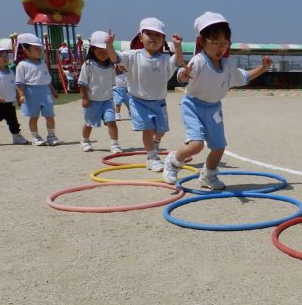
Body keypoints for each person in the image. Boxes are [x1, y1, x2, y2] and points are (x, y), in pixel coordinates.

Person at [162, 12, 272, 188]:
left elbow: (244, 77)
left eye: (224, 42)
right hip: (193, 106)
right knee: (196, 145)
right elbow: (183, 76)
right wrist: (184, 74)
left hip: (214, 109)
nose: (220, 47)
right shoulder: (199, 61)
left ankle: (208, 175)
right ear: (202, 41)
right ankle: (173, 161)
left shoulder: (227, 64)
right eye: (215, 42)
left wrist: (264, 68)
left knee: (219, 147)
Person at [106, 18, 184, 172]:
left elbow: (179, 61)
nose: (153, 37)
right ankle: (152, 157)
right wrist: (109, 45)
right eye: (148, 33)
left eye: (158, 35)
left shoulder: (165, 59)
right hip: (138, 101)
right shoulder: (133, 55)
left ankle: (154, 147)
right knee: (148, 130)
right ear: (140, 37)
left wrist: (178, 46)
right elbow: (115, 58)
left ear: (163, 40)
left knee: (161, 131)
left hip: (159, 101)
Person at [77, 31, 122, 154]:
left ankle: (114, 144)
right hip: (92, 101)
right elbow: (82, 83)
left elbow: (113, 81)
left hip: (107, 100)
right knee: (89, 124)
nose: (103, 54)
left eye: (106, 51)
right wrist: (84, 98)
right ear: (92, 50)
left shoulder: (111, 66)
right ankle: (85, 141)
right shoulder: (88, 65)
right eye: (100, 51)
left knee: (111, 122)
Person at [14, 33, 60, 146]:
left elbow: (47, 79)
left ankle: (51, 135)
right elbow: (19, 82)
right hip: (31, 92)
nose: (39, 51)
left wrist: (53, 91)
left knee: (50, 116)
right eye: (36, 49)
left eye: (40, 48)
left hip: (45, 92)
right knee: (33, 116)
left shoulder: (42, 64)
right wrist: (21, 95)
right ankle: (36, 137)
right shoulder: (22, 65)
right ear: (25, 49)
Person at [0, 42, 29, 147]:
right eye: (0, 56)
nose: (4, 58)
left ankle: (16, 136)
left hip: (9, 102)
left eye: (5, 55)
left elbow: (15, 86)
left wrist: (18, 97)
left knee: (13, 121)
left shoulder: (11, 72)